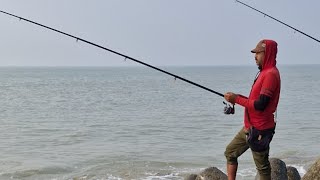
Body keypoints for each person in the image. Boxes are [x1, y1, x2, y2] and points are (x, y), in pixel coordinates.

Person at [223, 39, 281, 180]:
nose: (255, 57)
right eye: (254, 54)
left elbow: (261, 104)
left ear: (267, 54)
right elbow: (254, 100)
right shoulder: (263, 73)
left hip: (260, 130)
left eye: (258, 53)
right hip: (249, 127)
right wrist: (236, 97)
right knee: (230, 152)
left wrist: (236, 99)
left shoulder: (271, 74)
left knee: (263, 169)